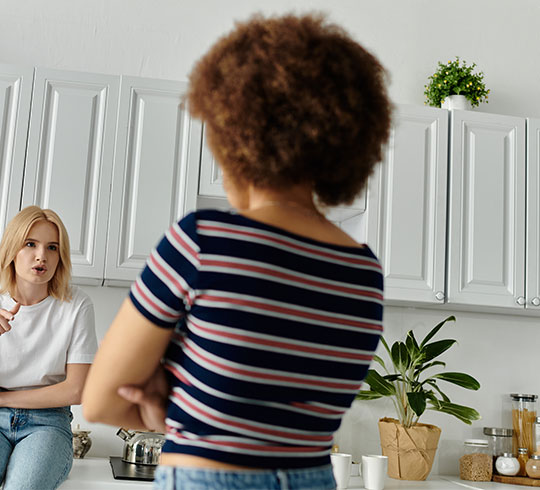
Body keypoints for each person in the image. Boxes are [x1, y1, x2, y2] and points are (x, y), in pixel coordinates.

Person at [82, 12, 392, 490]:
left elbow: (101, 401)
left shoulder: (202, 240)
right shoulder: (364, 271)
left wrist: (172, 395)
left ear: (236, 135)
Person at [0, 206, 98, 490]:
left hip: (48, 422)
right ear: (12, 250)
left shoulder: (76, 305)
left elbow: (77, 390)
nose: (41, 255)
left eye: (52, 247)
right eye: (30, 244)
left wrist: (0, 399)